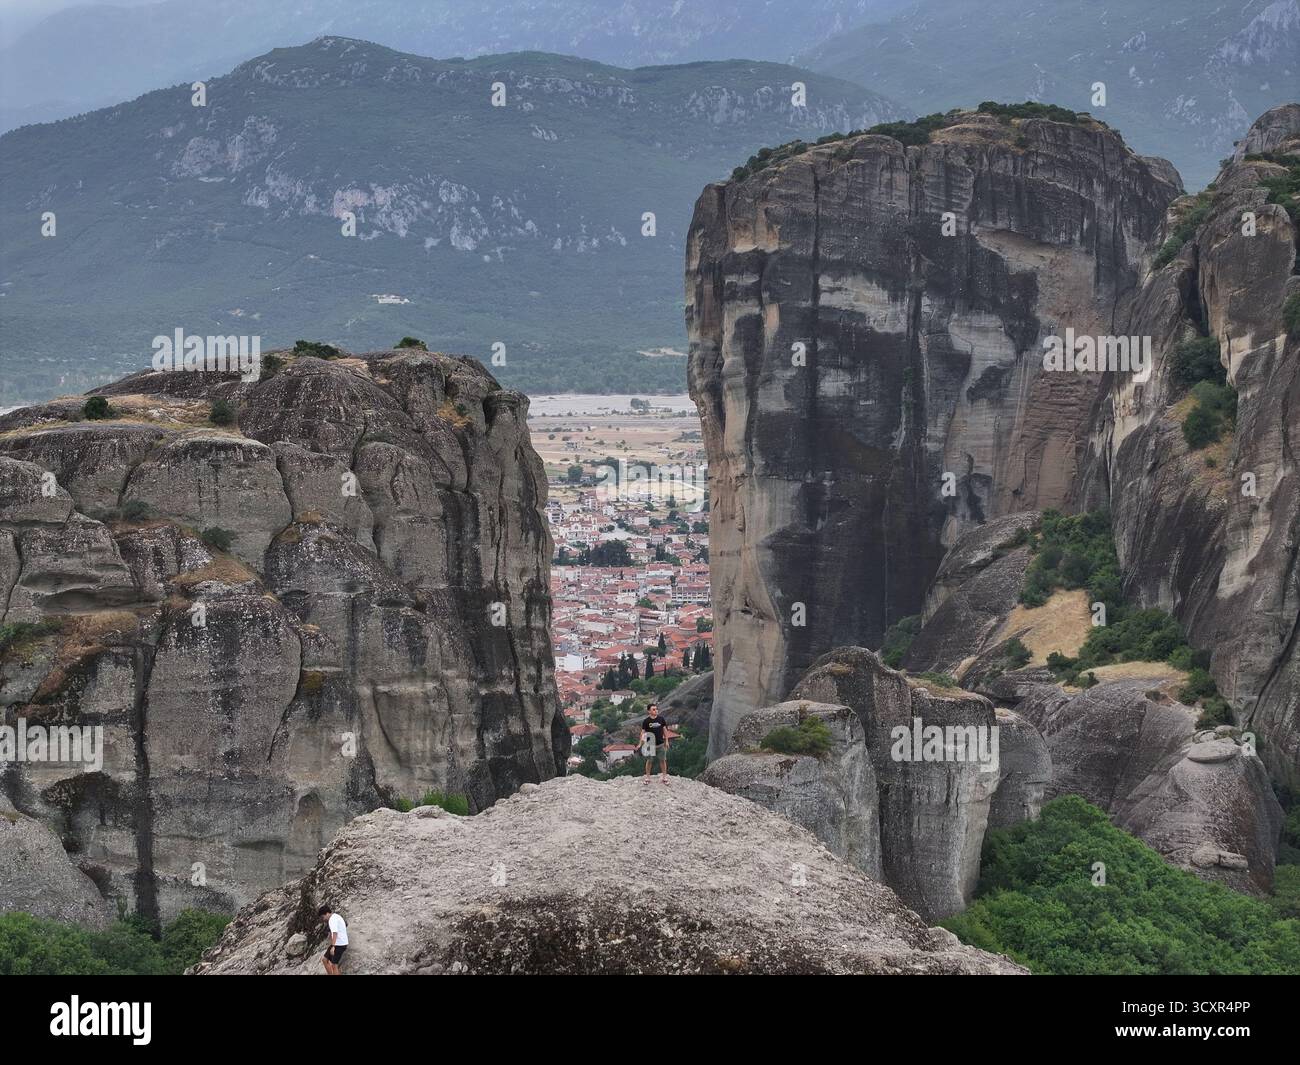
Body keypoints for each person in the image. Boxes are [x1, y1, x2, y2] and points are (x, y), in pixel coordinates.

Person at [640, 702, 669, 784]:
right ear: (649, 711)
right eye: (653, 709)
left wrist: (666, 741)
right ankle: (648, 777)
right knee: (649, 761)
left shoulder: (661, 719)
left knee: (662, 760)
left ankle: (664, 776)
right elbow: (643, 732)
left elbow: (665, 730)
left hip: (660, 744)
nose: (656, 710)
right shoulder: (646, 721)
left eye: (656, 709)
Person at [318, 905, 348, 974]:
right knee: (325, 960)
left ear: (327, 913)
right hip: (337, 943)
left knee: (334, 965)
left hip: (339, 944)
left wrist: (333, 947)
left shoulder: (332, 919)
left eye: (323, 917)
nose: (323, 919)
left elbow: (335, 933)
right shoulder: (335, 917)